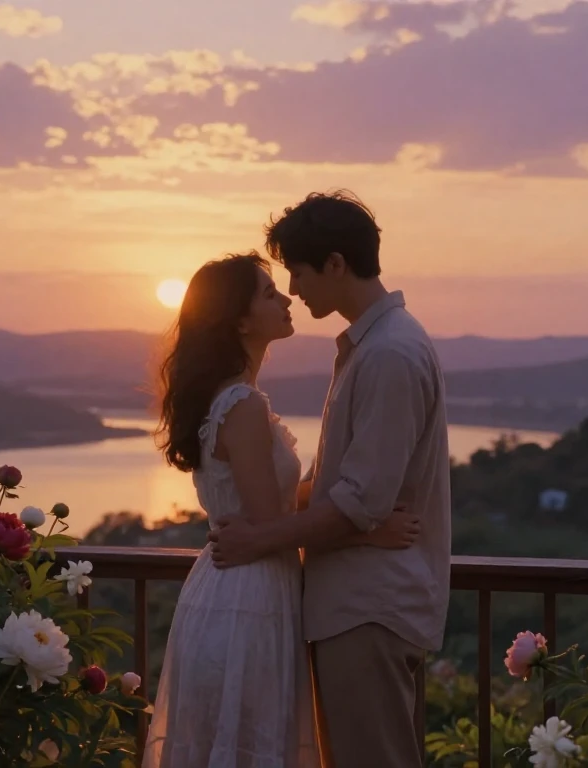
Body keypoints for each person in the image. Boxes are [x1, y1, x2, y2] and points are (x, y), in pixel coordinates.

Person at [143, 251, 421, 768]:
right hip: (249, 596)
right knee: (250, 746)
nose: (286, 297)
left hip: (236, 588)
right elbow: (270, 524)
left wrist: (347, 497)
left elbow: (268, 505)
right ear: (241, 320)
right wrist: (368, 532)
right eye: (269, 293)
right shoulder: (242, 406)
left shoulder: (234, 400)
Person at [208, 191, 453, 768]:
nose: (293, 288)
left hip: (367, 607)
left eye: (297, 270)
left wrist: (256, 539)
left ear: (336, 264)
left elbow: (360, 502)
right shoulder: (370, 349)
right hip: (357, 603)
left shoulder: (389, 354)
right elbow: (345, 497)